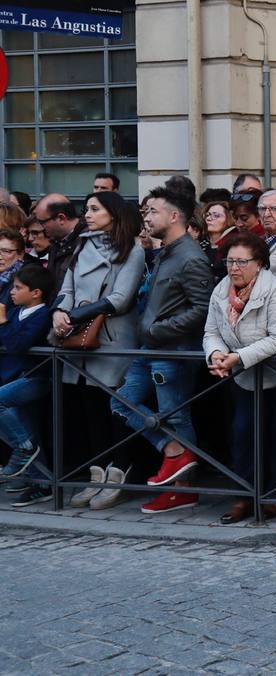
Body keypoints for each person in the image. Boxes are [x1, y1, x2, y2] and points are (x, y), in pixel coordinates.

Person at [108, 188, 214, 516]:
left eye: (152, 211)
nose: (146, 217)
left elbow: (202, 307)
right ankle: (173, 452)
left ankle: (183, 492)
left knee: (176, 415)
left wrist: (158, 330)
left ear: (174, 216)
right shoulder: (166, 251)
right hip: (149, 348)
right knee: (121, 402)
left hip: (173, 350)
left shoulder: (190, 256)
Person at [50, 192, 146, 511]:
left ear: (114, 214)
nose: (87, 214)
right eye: (87, 209)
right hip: (78, 337)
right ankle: (98, 473)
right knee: (89, 407)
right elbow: (67, 289)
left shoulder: (131, 249)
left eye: (95, 209)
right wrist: (59, 314)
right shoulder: (82, 244)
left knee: (114, 409)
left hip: (111, 338)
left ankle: (119, 473)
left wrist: (75, 315)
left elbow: (121, 298)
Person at [202, 230, 276, 525]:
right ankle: (243, 495)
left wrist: (238, 357)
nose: (234, 268)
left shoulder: (275, 291)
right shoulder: (222, 289)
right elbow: (211, 331)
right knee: (242, 435)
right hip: (243, 377)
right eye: (230, 261)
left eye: (242, 262)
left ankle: (275, 496)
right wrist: (216, 355)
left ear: (259, 263)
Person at [0, 265, 56, 502]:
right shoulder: (16, 313)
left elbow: (17, 344)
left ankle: (23, 447)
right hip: (13, 377)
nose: (12, 292)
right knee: (26, 426)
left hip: (35, 377)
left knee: (25, 436)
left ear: (36, 293)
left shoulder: (42, 315)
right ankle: (41, 483)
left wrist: (2, 322)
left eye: (18, 288)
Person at [33, 193, 80, 289]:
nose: (41, 227)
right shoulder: (56, 241)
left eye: (43, 222)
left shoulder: (86, 242)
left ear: (61, 218)